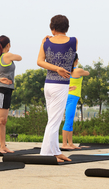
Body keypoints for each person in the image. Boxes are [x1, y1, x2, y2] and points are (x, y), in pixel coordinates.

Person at [37, 15, 77, 162]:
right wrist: (60, 69)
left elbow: (40, 61)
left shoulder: (45, 42)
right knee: (54, 121)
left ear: (52, 28)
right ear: (67, 27)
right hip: (60, 86)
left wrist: (47, 41)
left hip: (48, 84)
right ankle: (46, 154)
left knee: (52, 120)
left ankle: (55, 151)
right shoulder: (74, 41)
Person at [0, 35, 22, 153]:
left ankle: (3, 145)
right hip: (3, 91)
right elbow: (20, 57)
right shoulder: (6, 55)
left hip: (7, 90)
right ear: (7, 45)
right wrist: (1, 80)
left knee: (4, 121)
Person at [61, 54, 89, 150]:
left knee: (70, 120)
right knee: (68, 120)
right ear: (76, 60)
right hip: (72, 98)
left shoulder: (66, 72)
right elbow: (87, 73)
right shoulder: (78, 71)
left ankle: (71, 143)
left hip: (68, 96)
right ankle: (64, 144)